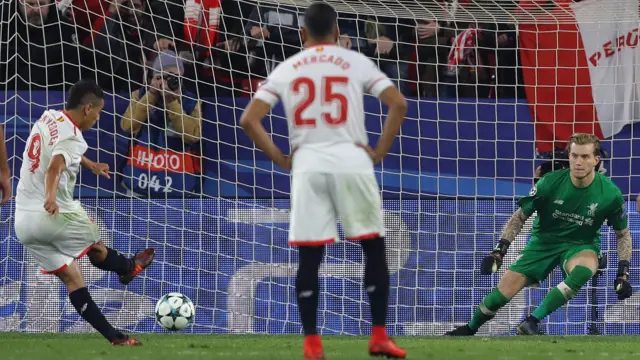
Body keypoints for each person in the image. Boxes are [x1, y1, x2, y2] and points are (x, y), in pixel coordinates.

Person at [239, 2, 408, 359]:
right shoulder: (355, 61)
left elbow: (249, 120)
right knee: (372, 246)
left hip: (308, 164)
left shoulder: (287, 67)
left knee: (310, 256)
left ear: (303, 34)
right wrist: (378, 151)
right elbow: (398, 104)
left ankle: (312, 344)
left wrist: (282, 159)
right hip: (351, 160)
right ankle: (378, 336)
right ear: (336, 32)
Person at [446, 133, 633, 336]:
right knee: (499, 297)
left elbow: (622, 234)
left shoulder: (610, 194)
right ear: (569, 157)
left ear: (596, 160)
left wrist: (623, 273)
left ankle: (532, 321)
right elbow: (520, 217)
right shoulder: (549, 183)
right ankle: (469, 328)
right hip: (542, 243)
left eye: (585, 157)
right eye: (575, 156)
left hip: (580, 244)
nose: (579, 162)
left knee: (585, 268)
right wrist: (499, 252)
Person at [14, 80, 155, 346]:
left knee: (73, 279)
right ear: (88, 108)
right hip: (52, 214)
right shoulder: (73, 136)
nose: (99, 117)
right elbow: (56, 166)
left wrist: (90, 165)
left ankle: (114, 337)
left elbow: (59, 152)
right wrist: (51, 198)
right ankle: (127, 268)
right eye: (99, 112)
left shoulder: (49, 117)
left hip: (23, 221)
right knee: (97, 245)